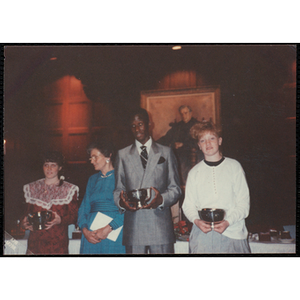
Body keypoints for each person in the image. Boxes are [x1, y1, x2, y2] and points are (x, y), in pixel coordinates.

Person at [114, 107, 182, 254]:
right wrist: (122, 202)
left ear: (149, 124)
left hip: (160, 228)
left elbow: (175, 188)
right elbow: (118, 189)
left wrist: (161, 200)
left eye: (140, 124)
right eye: (133, 126)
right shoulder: (122, 155)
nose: (137, 129)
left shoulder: (166, 152)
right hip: (134, 228)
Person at [182, 121, 251, 253]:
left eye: (212, 138)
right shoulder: (194, 172)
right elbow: (188, 205)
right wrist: (196, 221)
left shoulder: (234, 167)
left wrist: (228, 221)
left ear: (219, 141)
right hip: (203, 236)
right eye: (203, 140)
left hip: (233, 233)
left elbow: (243, 204)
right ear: (199, 146)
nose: (208, 143)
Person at [21, 151, 79, 255]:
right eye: (46, 165)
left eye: (53, 165)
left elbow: (74, 216)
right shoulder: (32, 188)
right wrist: (24, 223)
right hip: (35, 245)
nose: (49, 169)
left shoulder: (69, 189)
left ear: (60, 168)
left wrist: (60, 220)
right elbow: (25, 214)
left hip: (58, 245)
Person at [77, 140, 125, 254]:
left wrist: (108, 229)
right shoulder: (92, 179)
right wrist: (85, 231)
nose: (92, 161)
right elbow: (84, 208)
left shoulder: (122, 178)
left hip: (114, 232)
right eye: (90, 158)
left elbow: (128, 208)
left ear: (108, 156)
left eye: (95, 157)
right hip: (91, 234)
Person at [157, 105, 202, 185]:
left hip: (190, 154)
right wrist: (154, 143)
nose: (184, 116)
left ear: (190, 113)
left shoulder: (197, 125)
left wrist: (183, 145)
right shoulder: (178, 126)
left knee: (182, 165)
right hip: (176, 153)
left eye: (186, 113)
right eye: (182, 114)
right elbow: (166, 138)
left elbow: (199, 142)